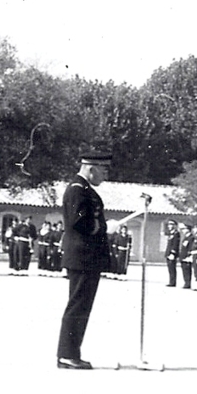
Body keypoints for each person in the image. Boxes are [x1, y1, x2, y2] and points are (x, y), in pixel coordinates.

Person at [56, 148, 116, 370]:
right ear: (91, 169)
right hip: (83, 258)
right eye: (103, 171)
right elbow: (79, 223)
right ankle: (67, 354)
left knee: (81, 307)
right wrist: (103, 227)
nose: (105, 176)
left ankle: (71, 353)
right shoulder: (78, 191)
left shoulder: (84, 190)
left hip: (87, 258)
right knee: (78, 307)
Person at [164, 220, 181, 287]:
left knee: (172, 268)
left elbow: (175, 244)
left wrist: (173, 253)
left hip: (172, 254)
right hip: (168, 253)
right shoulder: (171, 233)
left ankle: (173, 282)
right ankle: (171, 281)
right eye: (169, 225)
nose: (169, 226)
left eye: (171, 225)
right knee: (170, 268)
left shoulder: (176, 234)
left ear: (174, 226)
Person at [177, 223, 195, 289]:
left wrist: (189, 255)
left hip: (187, 256)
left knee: (187, 270)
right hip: (183, 256)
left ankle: (188, 283)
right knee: (184, 270)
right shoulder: (185, 237)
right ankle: (186, 282)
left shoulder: (191, 238)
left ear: (188, 230)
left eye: (184, 229)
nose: (183, 231)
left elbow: (190, 247)